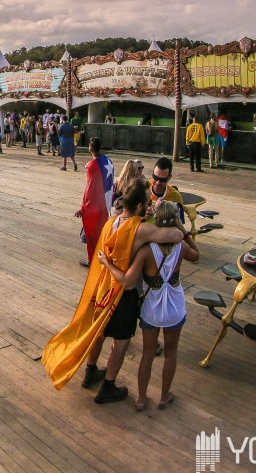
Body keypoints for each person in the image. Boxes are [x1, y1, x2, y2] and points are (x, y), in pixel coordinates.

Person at [42, 180, 184, 402]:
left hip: (104, 289)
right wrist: (171, 219)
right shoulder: (141, 229)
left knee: (99, 332)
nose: (150, 205)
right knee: (121, 341)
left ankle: (90, 372)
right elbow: (176, 236)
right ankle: (108, 387)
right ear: (139, 206)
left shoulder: (112, 223)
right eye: (148, 203)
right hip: (123, 294)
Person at [97, 201, 198, 411]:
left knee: (148, 354)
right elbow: (197, 256)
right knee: (171, 353)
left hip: (152, 306)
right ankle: (164, 396)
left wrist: (107, 263)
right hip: (174, 306)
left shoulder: (146, 251)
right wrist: (184, 231)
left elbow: (126, 279)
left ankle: (141, 399)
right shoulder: (181, 247)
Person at [75, 138, 114, 267]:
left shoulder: (92, 166)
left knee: (92, 234)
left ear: (90, 149)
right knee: (102, 233)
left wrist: (83, 208)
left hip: (95, 205)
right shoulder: (108, 161)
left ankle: (93, 260)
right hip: (106, 203)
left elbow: (90, 189)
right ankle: (102, 257)